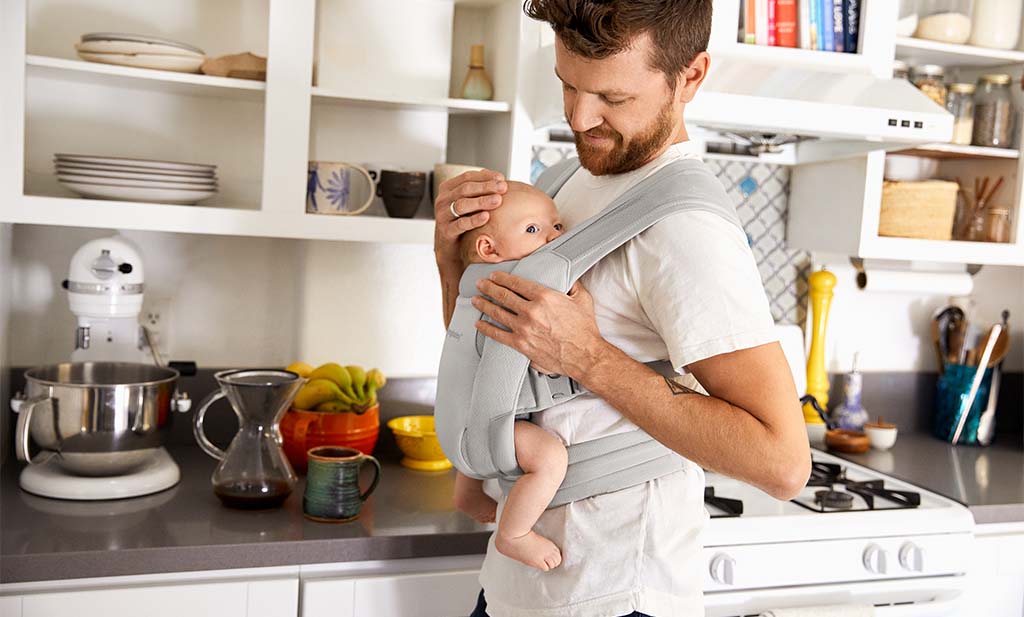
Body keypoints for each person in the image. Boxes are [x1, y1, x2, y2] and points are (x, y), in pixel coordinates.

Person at [432, 1, 812, 615]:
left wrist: (589, 357)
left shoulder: (688, 231)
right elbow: (489, 362)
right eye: (567, 85)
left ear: (689, 77)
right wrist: (454, 266)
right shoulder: (561, 183)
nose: (581, 118)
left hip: (612, 592)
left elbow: (783, 463)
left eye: (613, 97)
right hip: (512, 586)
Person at [451, 181, 569, 572]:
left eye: (556, 227)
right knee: (550, 458)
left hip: (461, 414)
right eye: (534, 230)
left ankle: (466, 492)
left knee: (471, 427)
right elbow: (544, 349)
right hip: (494, 417)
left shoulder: (472, 284)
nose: (553, 238)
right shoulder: (519, 287)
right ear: (489, 249)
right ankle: (514, 533)